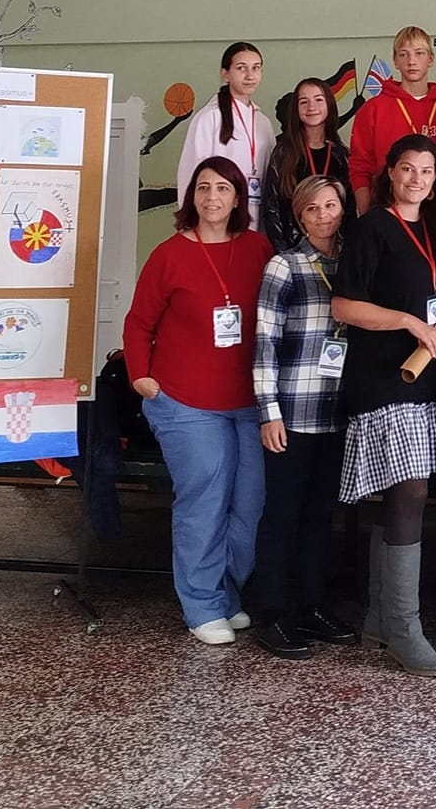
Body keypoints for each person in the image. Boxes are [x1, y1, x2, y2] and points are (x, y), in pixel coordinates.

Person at [123, 157, 276, 644]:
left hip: (248, 401)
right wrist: (140, 377)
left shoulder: (257, 248)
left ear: (238, 198)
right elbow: (139, 323)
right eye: (204, 187)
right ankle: (202, 605)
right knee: (204, 502)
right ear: (191, 196)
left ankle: (227, 595)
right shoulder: (169, 255)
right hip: (185, 402)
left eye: (223, 188)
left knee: (249, 505)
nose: (213, 197)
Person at [331, 135, 436, 676]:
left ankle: (379, 621)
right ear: (390, 173)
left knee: (401, 495)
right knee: (411, 491)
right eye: (407, 169)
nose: (416, 179)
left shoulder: (435, 229)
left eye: (426, 171)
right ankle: (406, 627)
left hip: (426, 381)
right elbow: (344, 306)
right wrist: (408, 322)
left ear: (435, 180)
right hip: (383, 379)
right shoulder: (372, 228)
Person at [249, 177, 363, 659]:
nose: (323, 215)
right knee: (283, 514)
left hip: (337, 412)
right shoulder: (285, 265)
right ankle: (272, 613)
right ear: (299, 216)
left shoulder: (353, 262)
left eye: (330, 205)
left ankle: (312, 605)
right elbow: (264, 343)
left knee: (320, 515)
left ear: (342, 209)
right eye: (312, 208)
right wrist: (268, 412)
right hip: (293, 412)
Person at [348, 26, 436, 214]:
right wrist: (366, 212)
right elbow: (359, 167)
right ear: (395, 60)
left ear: (430, 59)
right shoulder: (372, 109)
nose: (411, 61)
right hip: (386, 206)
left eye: (419, 53)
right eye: (404, 54)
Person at [177, 42, 277, 223]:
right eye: (241, 68)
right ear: (225, 74)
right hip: (219, 219)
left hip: (257, 215)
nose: (250, 75)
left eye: (256, 68)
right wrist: (192, 222)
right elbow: (191, 173)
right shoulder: (210, 117)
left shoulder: (263, 121)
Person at [260, 77, 352, 252]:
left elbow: (349, 210)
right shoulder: (283, 153)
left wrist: (346, 251)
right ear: (296, 109)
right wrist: (286, 253)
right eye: (304, 102)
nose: (311, 107)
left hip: (336, 251)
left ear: (329, 105)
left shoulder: (341, 155)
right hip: (294, 250)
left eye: (318, 100)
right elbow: (271, 208)